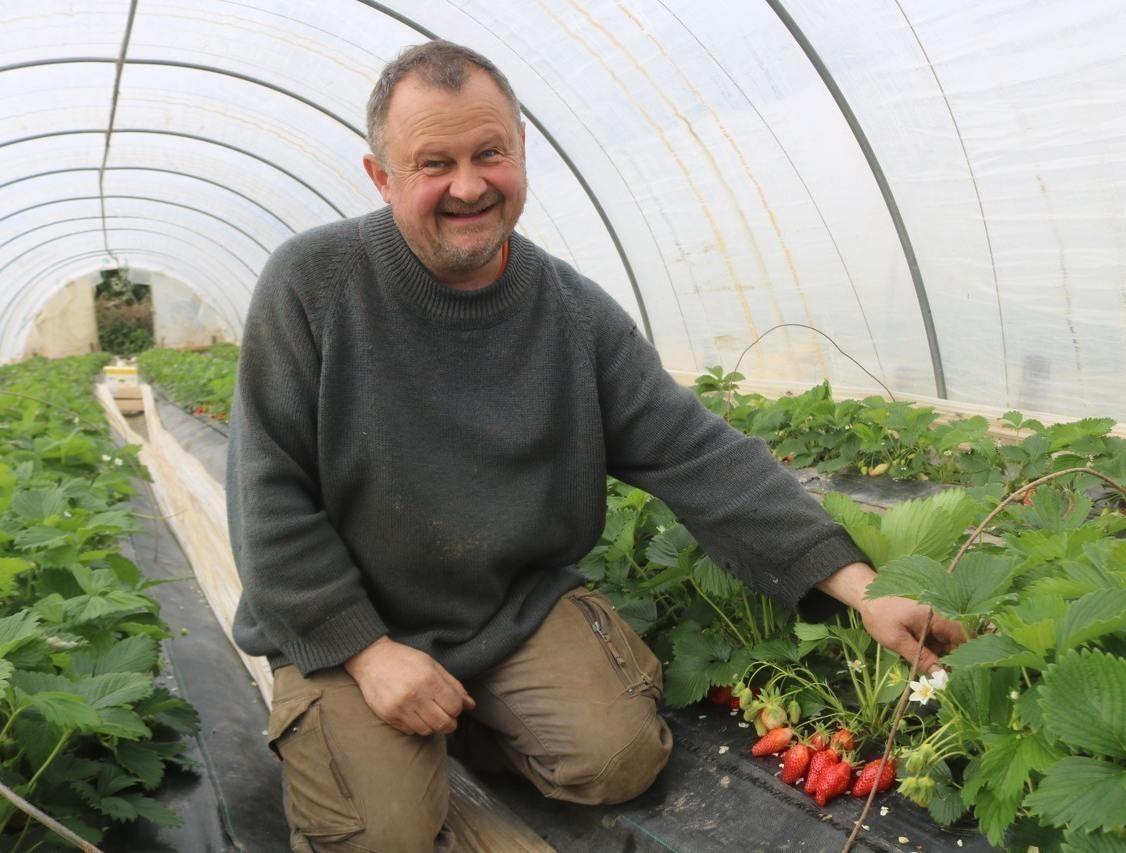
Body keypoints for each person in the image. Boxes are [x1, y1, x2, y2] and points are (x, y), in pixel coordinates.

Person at [226, 40, 966, 852]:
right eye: (434, 162)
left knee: (619, 760)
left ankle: (459, 726)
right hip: (348, 627)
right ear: (381, 176)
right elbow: (267, 497)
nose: (469, 185)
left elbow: (699, 454)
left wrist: (864, 590)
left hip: (507, 611)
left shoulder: (571, 314)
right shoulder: (313, 286)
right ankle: (395, 743)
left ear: (521, 154)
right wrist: (368, 655)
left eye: (490, 154)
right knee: (382, 835)